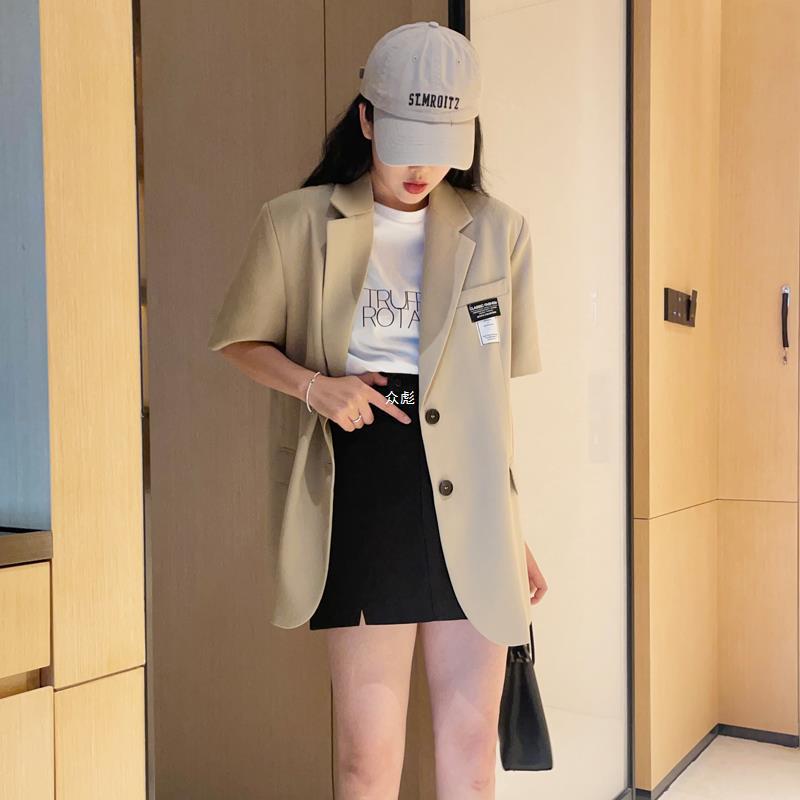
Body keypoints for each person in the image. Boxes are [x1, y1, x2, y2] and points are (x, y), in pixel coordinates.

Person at [208, 20, 548, 800]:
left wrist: (513, 531)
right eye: (406, 143)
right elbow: (238, 339)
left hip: (473, 510)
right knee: (367, 759)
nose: (423, 167)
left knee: (472, 757)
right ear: (366, 119)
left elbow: (488, 407)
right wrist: (313, 386)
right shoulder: (294, 222)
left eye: (441, 145)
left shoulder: (501, 232)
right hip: (362, 490)